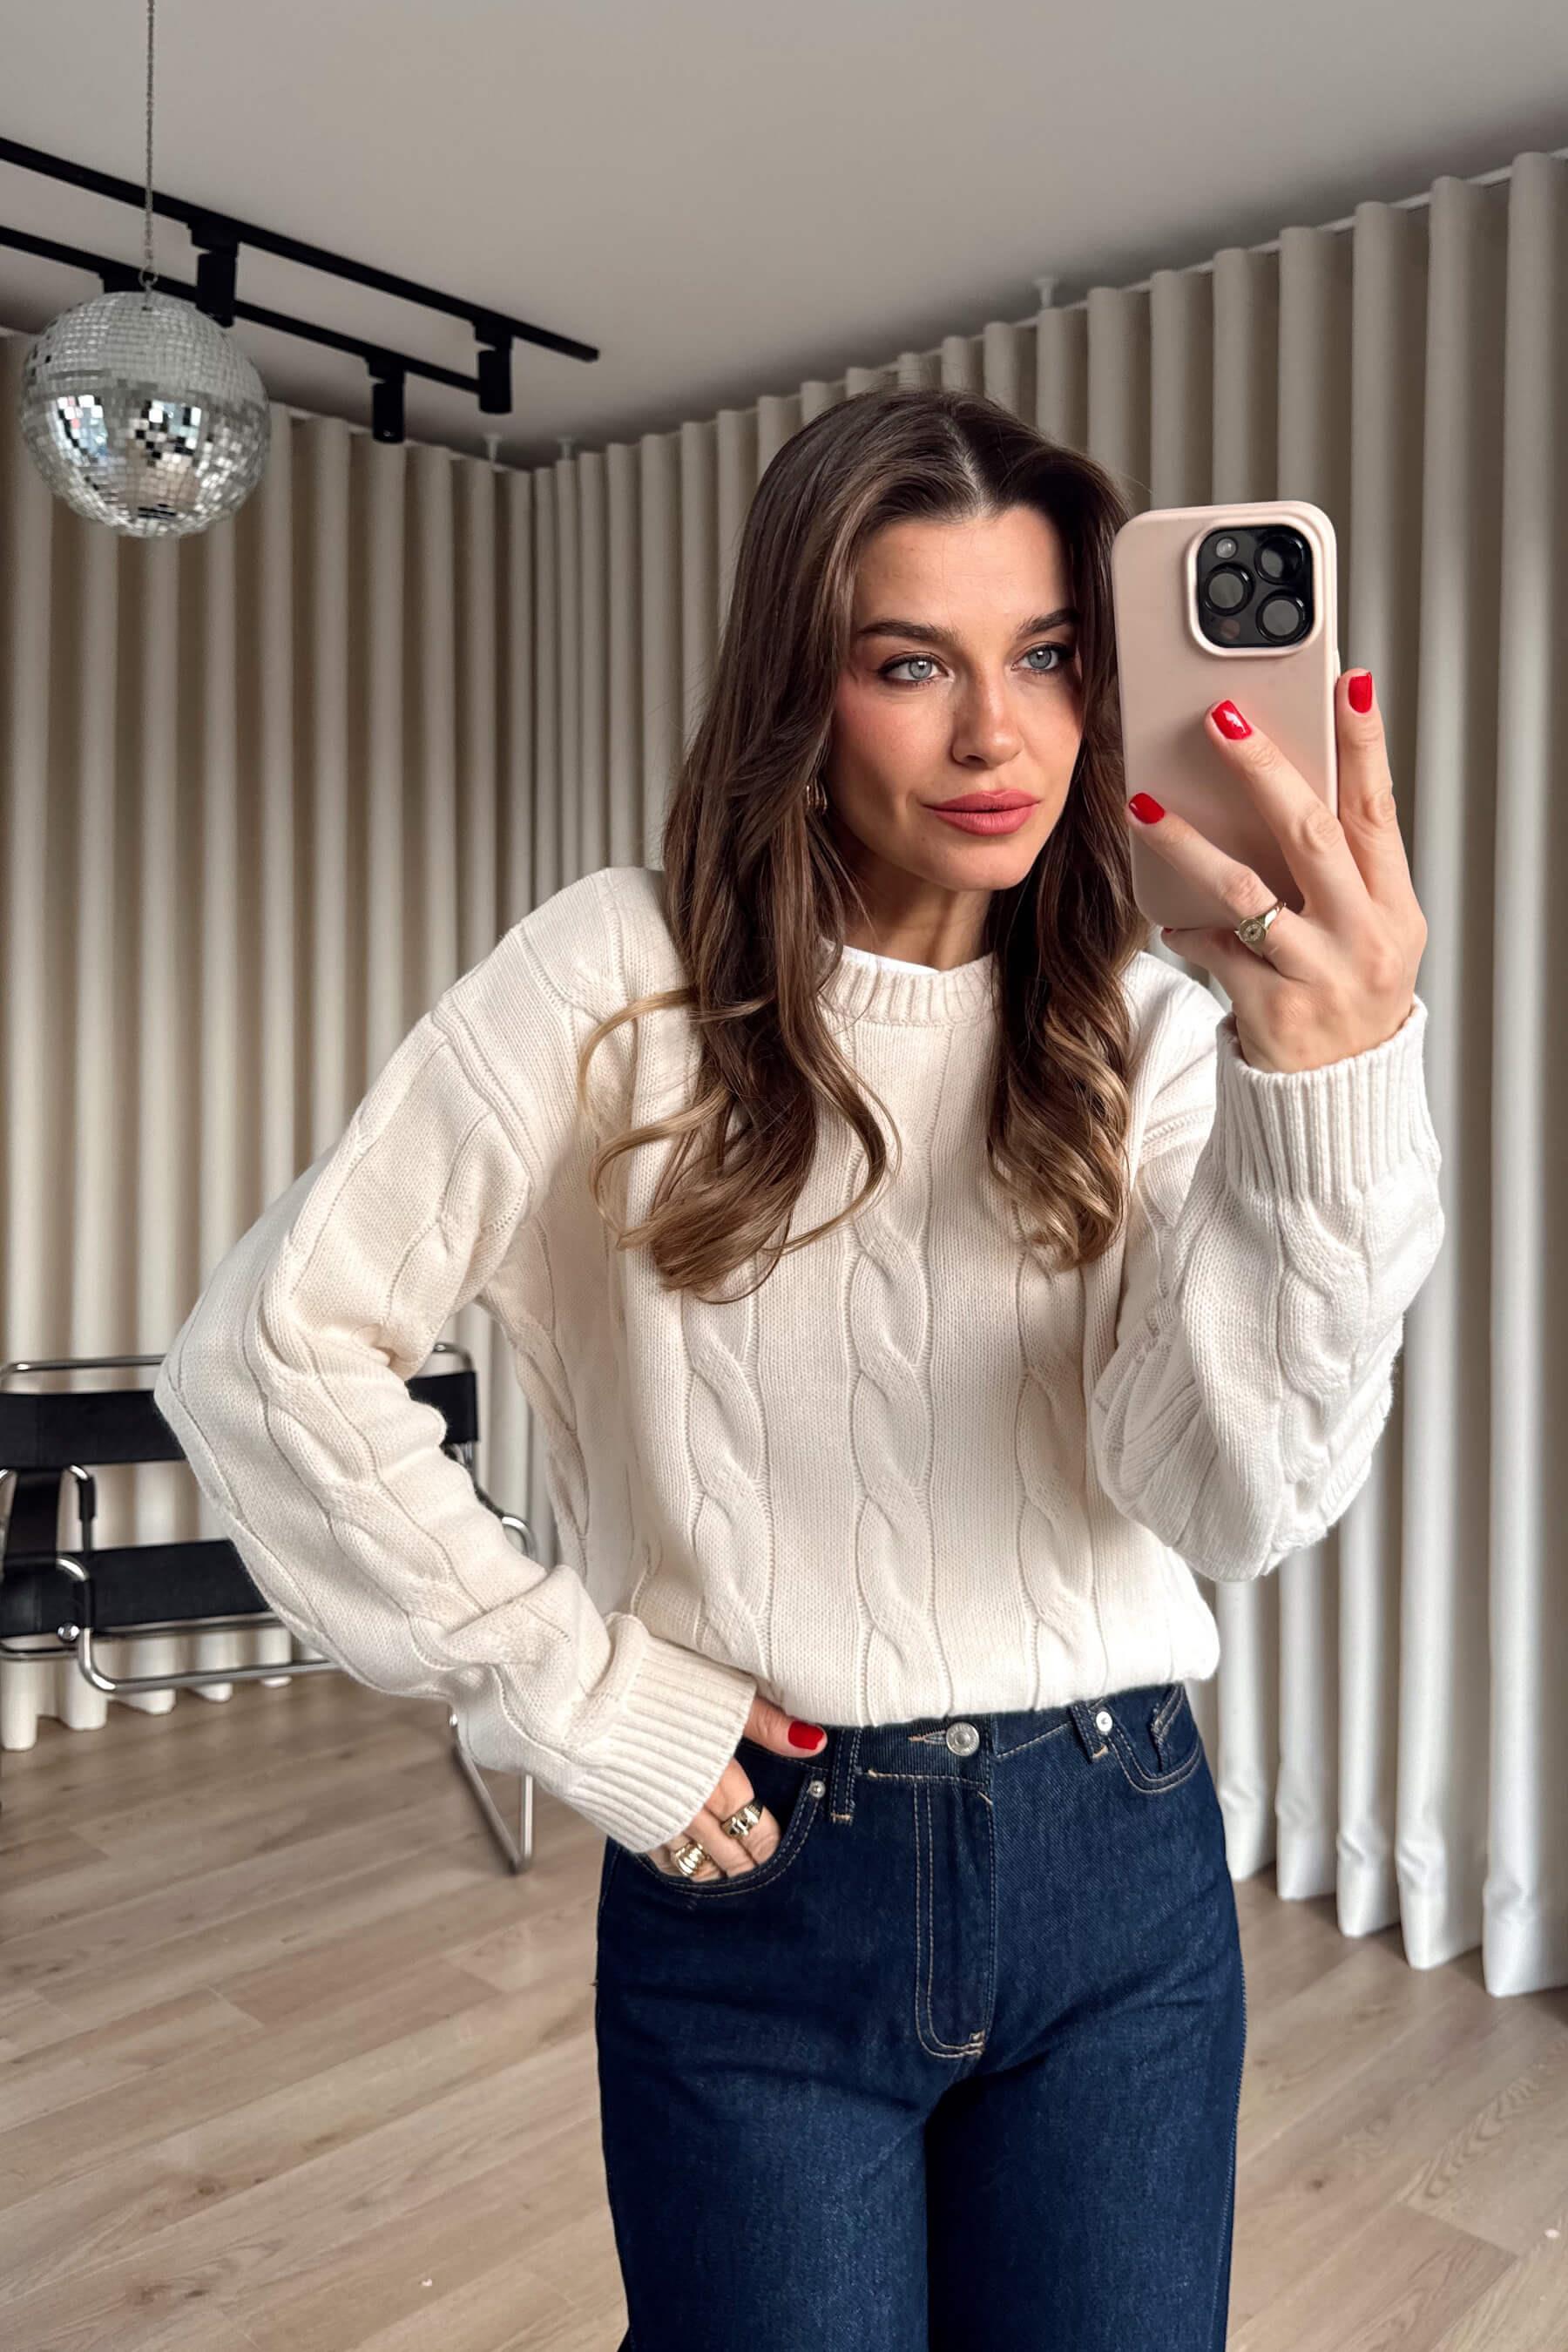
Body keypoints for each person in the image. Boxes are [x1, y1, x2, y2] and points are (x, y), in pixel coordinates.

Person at [154, 386, 1444, 2351]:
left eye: (1047, 659)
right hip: (763, 1868)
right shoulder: (615, 979)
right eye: (910, 663)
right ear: (798, 688)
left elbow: (1232, 1501)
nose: (995, 736)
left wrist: (1326, 1094)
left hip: (1122, 1863)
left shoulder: (1153, 1034)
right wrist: (581, 1693)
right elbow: (267, 1359)